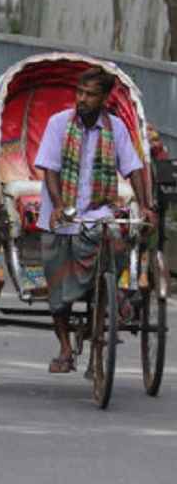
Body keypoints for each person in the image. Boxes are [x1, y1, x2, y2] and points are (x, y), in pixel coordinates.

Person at [34, 66, 155, 374]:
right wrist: (59, 205)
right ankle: (64, 349)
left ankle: (112, 308)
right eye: (80, 93)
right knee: (58, 286)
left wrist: (146, 205)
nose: (82, 99)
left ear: (104, 98)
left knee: (117, 244)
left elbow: (133, 169)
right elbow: (50, 169)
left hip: (98, 213)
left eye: (90, 95)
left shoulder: (115, 129)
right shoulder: (58, 124)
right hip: (61, 218)